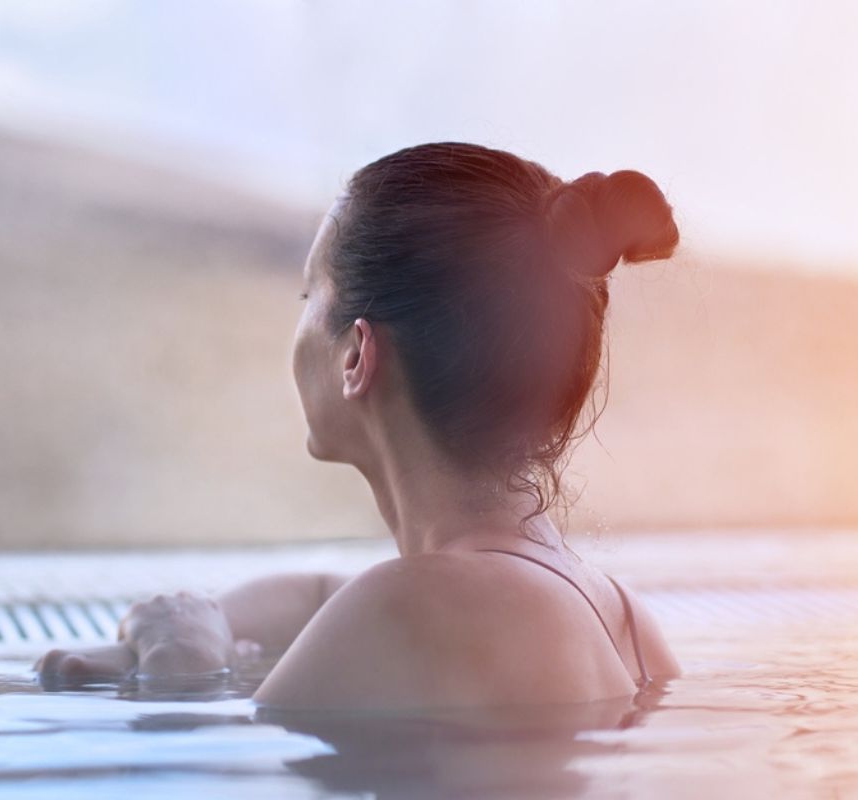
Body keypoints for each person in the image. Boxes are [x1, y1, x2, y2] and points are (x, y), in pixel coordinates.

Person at [36, 142, 681, 710]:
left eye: (308, 296)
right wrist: (197, 621)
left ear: (356, 356)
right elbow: (321, 596)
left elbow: (237, 778)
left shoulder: (411, 609)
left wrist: (185, 675)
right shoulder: (622, 617)